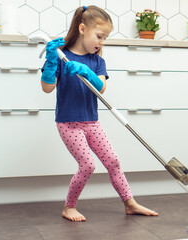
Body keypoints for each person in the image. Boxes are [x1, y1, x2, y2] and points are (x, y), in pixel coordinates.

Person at [41, 5, 158, 222]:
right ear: (83, 28)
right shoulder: (60, 56)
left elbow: (101, 88)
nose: (101, 42)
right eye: (100, 36)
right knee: (88, 164)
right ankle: (69, 207)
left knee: (113, 161)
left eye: (105, 38)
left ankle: (130, 203)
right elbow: (47, 88)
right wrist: (50, 62)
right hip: (68, 123)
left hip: (92, 122)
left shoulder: (97, 62)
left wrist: (85, 71)